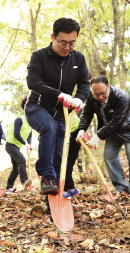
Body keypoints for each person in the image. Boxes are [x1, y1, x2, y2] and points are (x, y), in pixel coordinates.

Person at [25, 17, 90, 195]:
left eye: (72, 43)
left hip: (63, 114)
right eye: (63, 42)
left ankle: (54, 197)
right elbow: (33, 82)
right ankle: (46, 176)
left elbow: (84, 84)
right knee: (49, 127)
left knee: (60, 156)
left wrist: (79, 99)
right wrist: (58, 94)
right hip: (37, 108)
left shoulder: (79, 59)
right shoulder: (39, 56)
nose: (67, 47)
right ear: (52, 37)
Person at [77, 75, 130, 197]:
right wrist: (82, 129)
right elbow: (87, 114)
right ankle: (121, 187)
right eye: (96, 94)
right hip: (110, 131)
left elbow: (117, 121)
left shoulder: (122, 96)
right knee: (109, 156)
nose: (100, 97)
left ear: (108, 86)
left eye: (103, 93)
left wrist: (98, 135)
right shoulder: (91, 97)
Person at [5, 96, 32, 193]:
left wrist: (29, 143)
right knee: (21, 160)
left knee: (16, 169)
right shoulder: (19, 120)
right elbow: (16, 134)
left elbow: (29, 134)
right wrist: (25, 143)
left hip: (16, 147)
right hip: (10, 145)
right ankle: (24, 180)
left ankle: (8, 188)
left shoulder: (30, 122)